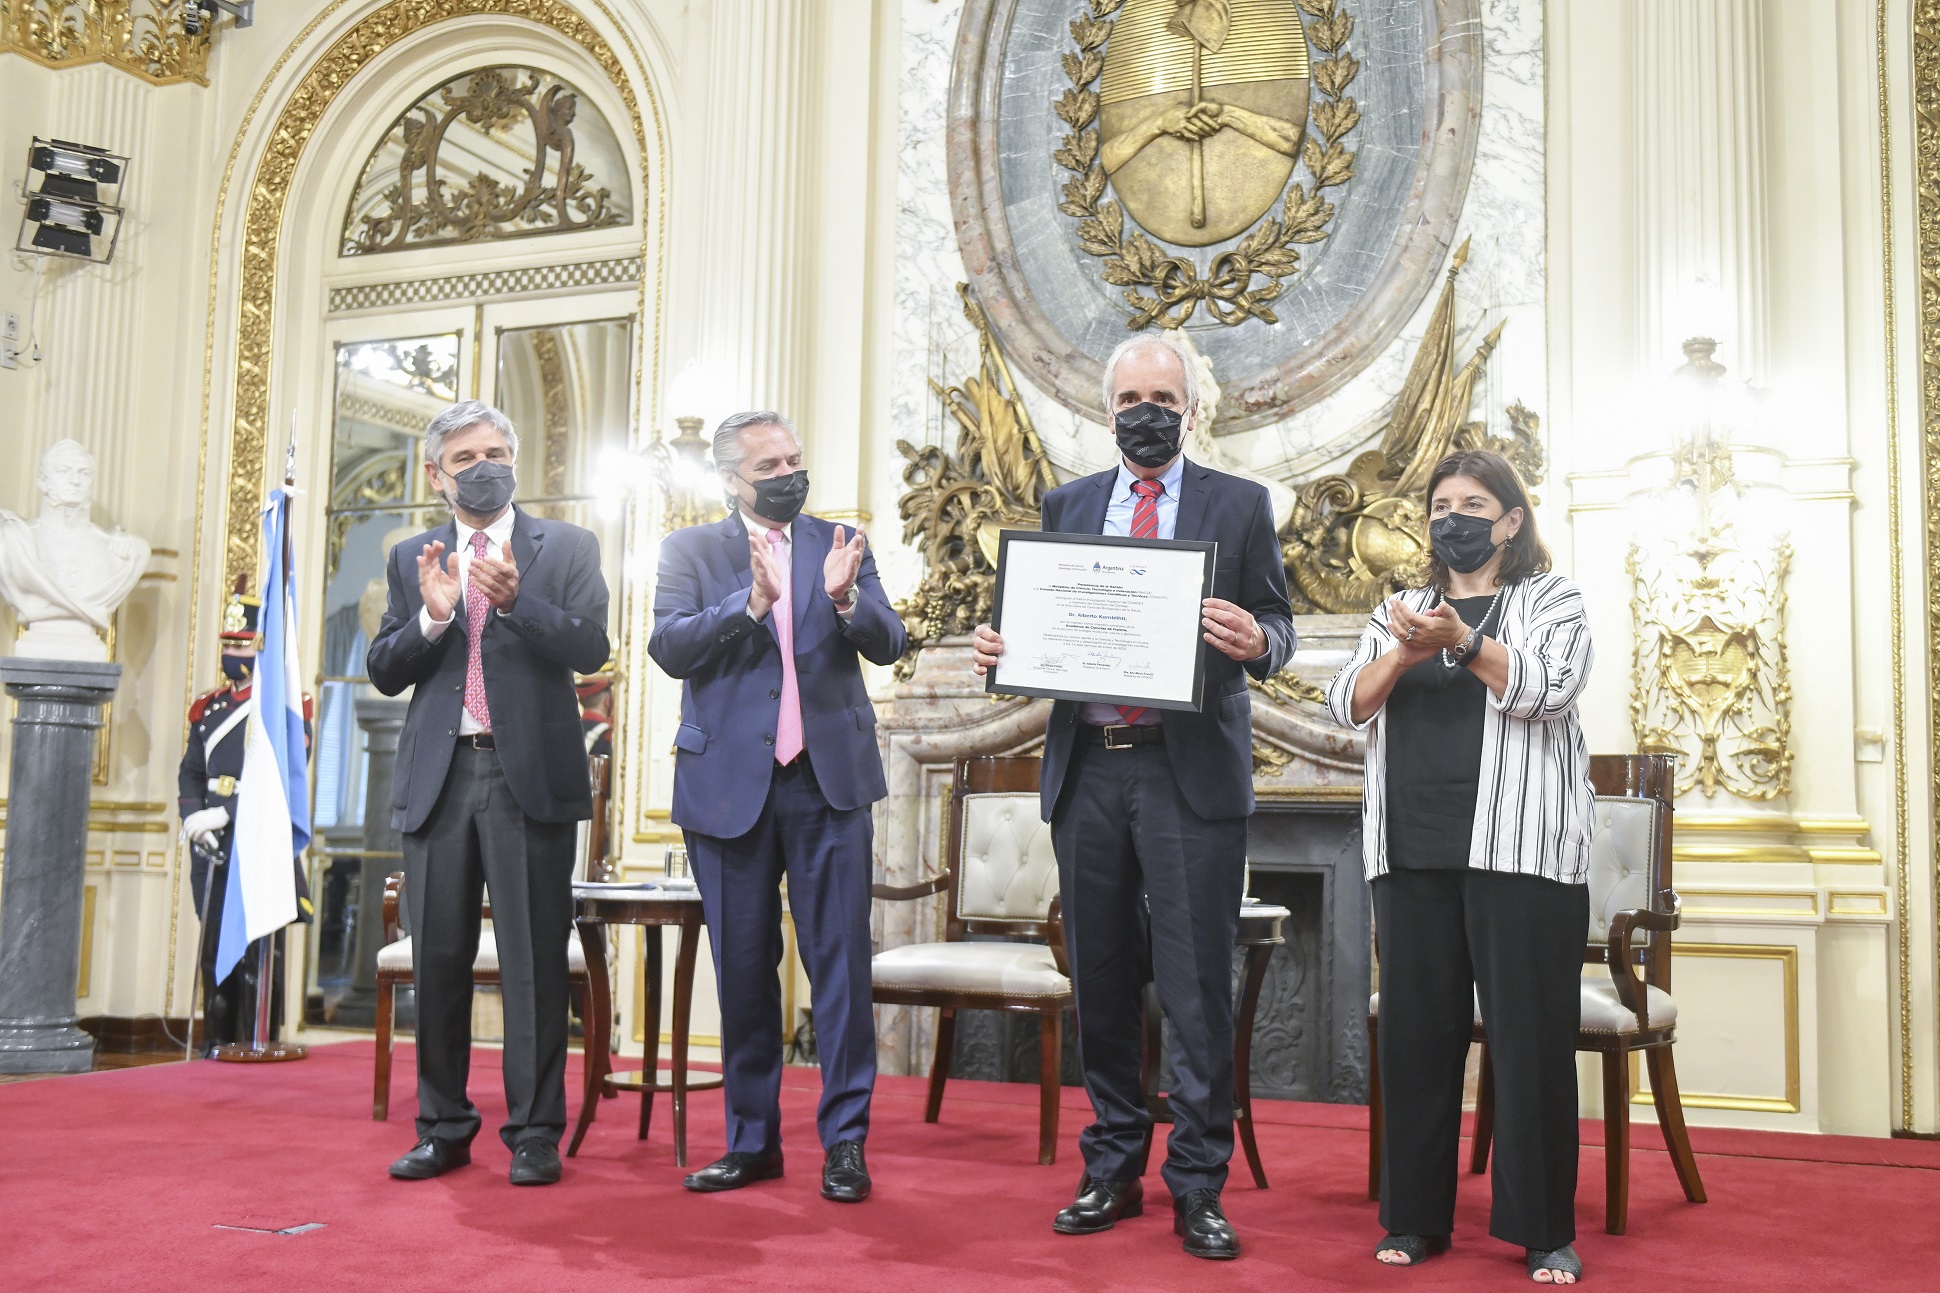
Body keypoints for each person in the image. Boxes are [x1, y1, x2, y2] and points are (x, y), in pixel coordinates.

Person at [970, 333, 1297, 1261]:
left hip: (1186, 767)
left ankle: (1197, 1183)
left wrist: (1255, 641)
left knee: (1196, 985)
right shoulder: (1067, 505)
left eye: (1163, 396)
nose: (1145, 411)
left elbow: (1279, 625)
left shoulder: (1240, 505)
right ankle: (1112, 1165)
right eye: (1129, 398)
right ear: (1105, 408)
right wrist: (1006, 649)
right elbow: (1041, 626)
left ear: (1192, 408)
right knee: (1102, 979)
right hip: (1090, 768)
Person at [1325, 449, 1594, 1286]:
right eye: (1442, 502)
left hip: (1521, 850)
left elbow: (1549, 686)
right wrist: (1407, 651)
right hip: (1409, 849)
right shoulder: (1398, 607)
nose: (1454, 516)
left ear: (1511, 519)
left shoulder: (1554, 599)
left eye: (1474, 502)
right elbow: (1347, 703)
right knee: (1416, 1040)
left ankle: (1543, 1228)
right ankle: (1414, 1218)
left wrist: (1466, 641)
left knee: (1528, 1044)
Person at [648, 410, 907, 1204]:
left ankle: (846, 1145)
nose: (790, 472)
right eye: (771, 464)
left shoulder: (840, 542)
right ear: (732, 478)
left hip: (827, 785)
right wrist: (750, 606)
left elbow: (891, 640)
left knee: (839, 971)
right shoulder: (690, 550)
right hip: (729, 792)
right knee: (745, 974)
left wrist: (845, 602)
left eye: (796, 457)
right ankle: (752, 1141)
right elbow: (670, 647)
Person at [367, 399, 611, 1187]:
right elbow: (383, 668)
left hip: (526, 774)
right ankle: (442, 1127)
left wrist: (516, 604)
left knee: (533, 962)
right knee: (437, 957)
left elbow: (592, 645)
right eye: (467, 456)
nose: (486, 465)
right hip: (439, 778)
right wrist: (434, 621)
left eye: (498, 450)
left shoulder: (565, 545)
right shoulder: (415, 554)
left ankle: (535, 1131)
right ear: (438, 474)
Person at [177, 578, 312, 1054]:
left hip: (256, 836)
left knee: (257, 948)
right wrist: (194, 818)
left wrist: (228, 814)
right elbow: (191, 771)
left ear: (261, 646)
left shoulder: (283, 709)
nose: (232, 651)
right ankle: (216, 1041)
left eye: (242, 643)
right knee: (215, 943)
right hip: (210, 840)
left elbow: (281, 779)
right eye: (227, 643)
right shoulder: (207, 707)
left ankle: (254, 1039)